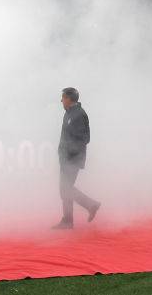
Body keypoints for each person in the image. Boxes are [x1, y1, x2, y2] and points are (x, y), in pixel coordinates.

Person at [53, 87, 100, 229]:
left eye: (63, 98)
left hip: (72, 159)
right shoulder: (69, 113)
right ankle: (68, 220)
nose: (61, 100)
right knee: (65, 189)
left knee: (65, 189)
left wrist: (69, 153)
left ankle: (90, 206)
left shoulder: (78, 114)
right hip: (66, 159)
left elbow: (85, 138)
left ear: (69, 99)